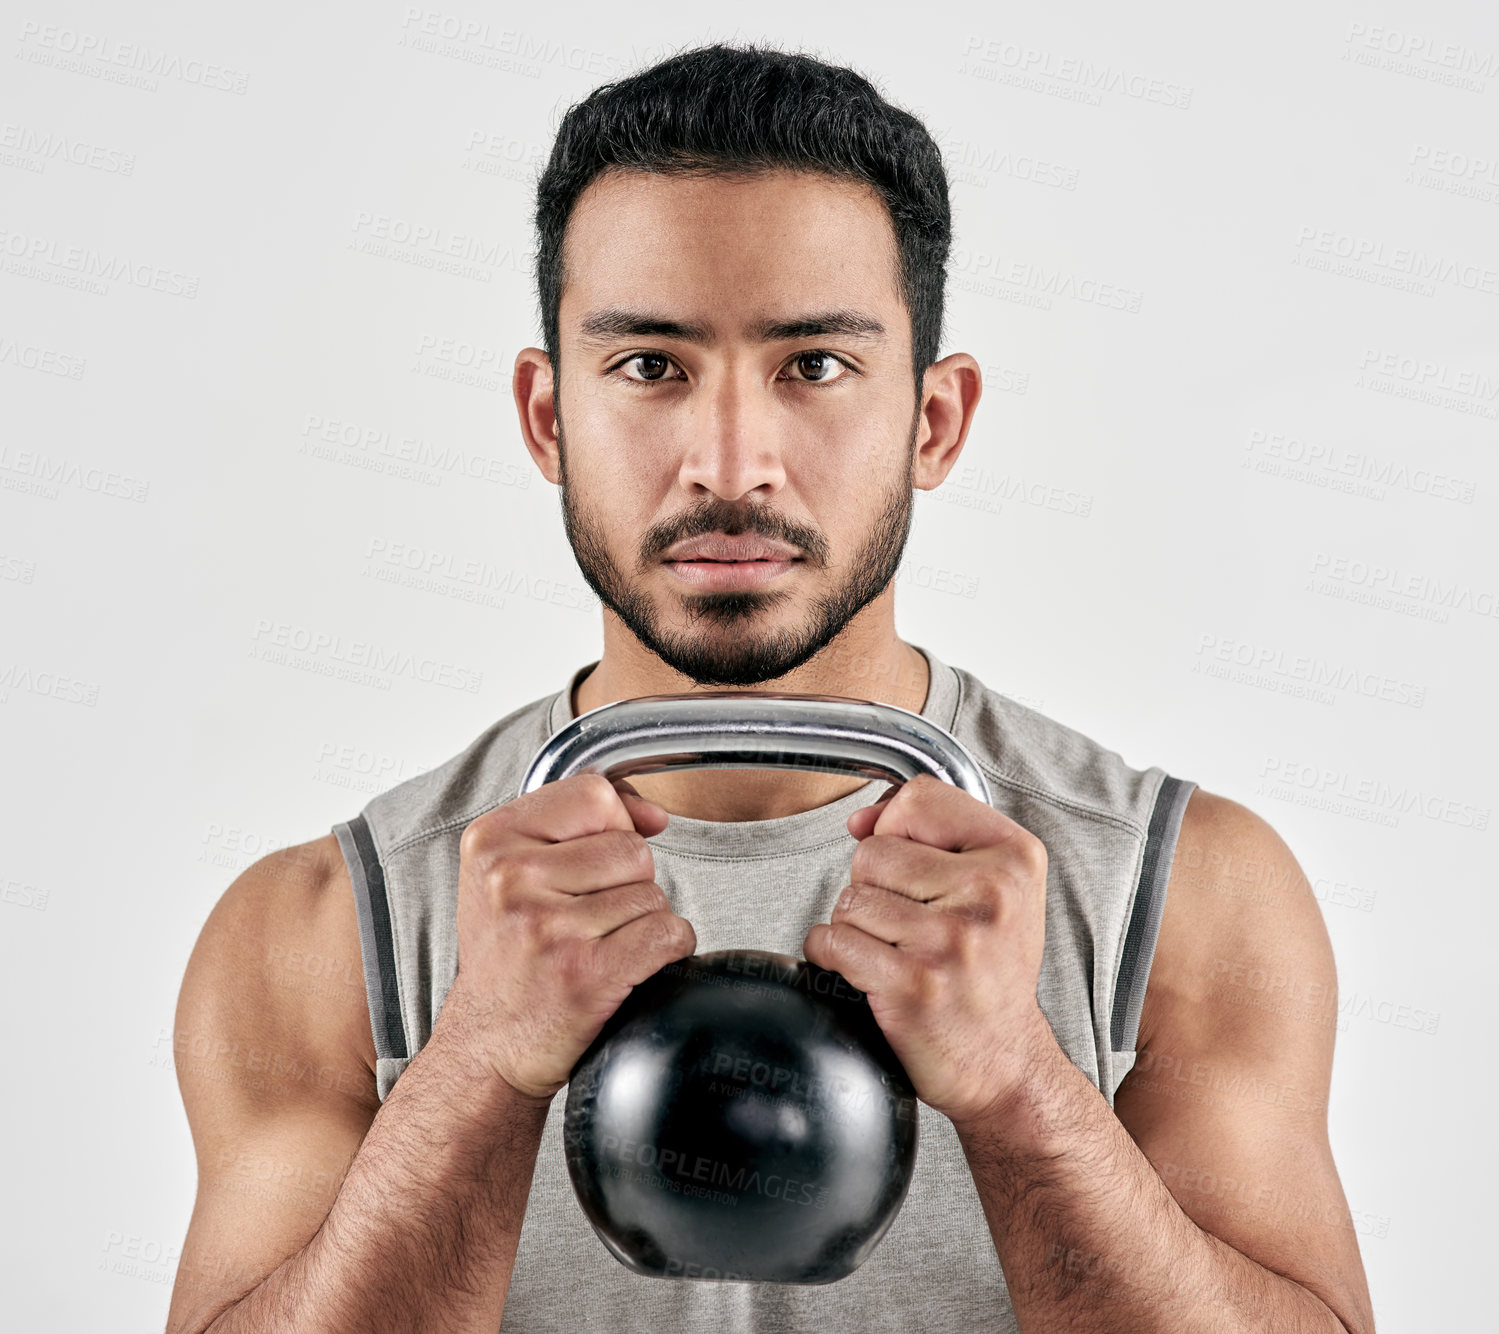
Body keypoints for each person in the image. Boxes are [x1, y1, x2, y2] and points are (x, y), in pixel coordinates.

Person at [166, 43, 1375, 1334]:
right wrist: (474, 1063)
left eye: (813, 365)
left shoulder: (1184, 893)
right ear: (545, 416)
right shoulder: (316, 928)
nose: (729, 460)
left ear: (934, 422)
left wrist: (1023, 1084)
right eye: (648, 365)